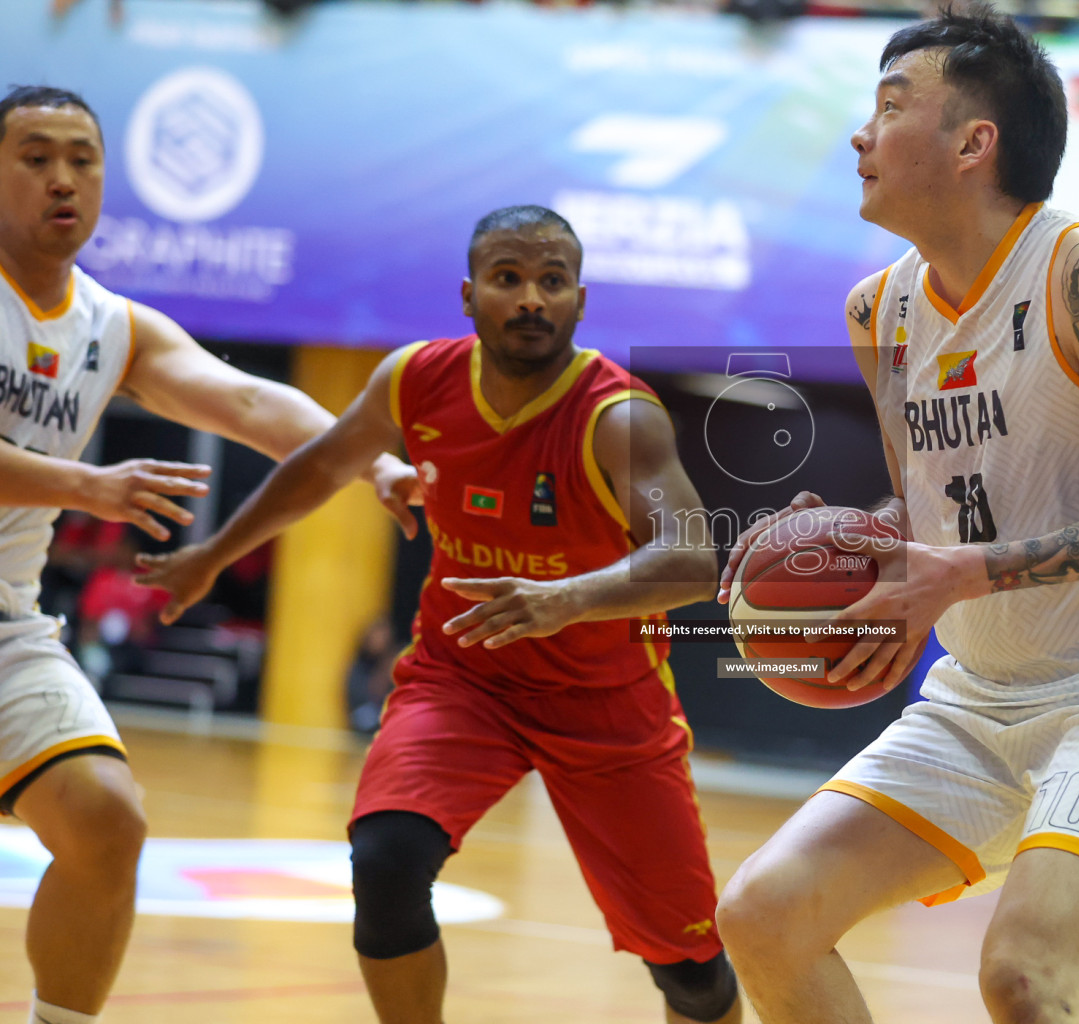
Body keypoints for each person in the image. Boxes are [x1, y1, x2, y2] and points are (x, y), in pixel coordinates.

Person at [712, 9, 1079, 1023]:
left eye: (889, 108)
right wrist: (848, 542)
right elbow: (935, 509)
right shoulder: (880, 311)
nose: (861, 135)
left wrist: (969, 571)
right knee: (762, 913)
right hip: (974, 699)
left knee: (1025, 976)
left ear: (973, 142)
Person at [136, 206, 742, 1024]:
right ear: (469, 295)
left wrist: (565, 599)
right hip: (464, 683)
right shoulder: (414, 379)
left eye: (552, 281)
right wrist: (210, 556)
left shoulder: (617, 415)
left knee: (692, 975)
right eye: (509, 278)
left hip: (606, 705)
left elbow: (693, 558)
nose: (532, 298)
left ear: (579, 301)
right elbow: (319, 468)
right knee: (385, 861)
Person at [0, 85, 418, 1024]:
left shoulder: (111, 326)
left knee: (107, 820)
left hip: (6, 628)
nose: (64, 178)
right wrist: (88, 487)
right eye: (35, 157)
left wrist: (375, 463)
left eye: (82, 159)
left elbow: (249, 405)